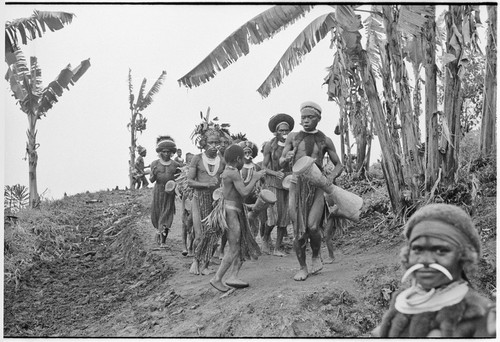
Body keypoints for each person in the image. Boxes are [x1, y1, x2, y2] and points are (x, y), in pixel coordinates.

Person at [372, 203, 496, 338]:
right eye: (417, 249)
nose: (425, 260)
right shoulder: (401, 302)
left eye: (441, 250)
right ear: (407, 255)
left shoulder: (484, 317)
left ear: (464, 257)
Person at [280, 101, 343, 281]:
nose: (306, 121)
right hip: (296, 185)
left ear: (318, 119)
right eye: (303, 118)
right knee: (299, 229)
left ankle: (316, 255)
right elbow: (282, 161)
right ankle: (302, 267)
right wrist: (287, 157)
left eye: (310, 117)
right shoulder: (293, 137)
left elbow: (339, 164)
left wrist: (330, 178)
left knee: (313, 227)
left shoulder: (325, 140)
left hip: (316, 186)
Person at [209, 144, 265, 292]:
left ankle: (233, 276)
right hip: (232, 212)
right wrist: (255, 178)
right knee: (234, 248)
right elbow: (244, 192)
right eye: (242, 158)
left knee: (240, 245)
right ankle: (217, 278)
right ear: (238, 159)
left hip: (235, 211)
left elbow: (239, 189)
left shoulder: (231, 171)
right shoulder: (232, 173)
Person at [188, 114, 231, 275]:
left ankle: (205, 264)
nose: (214, 146)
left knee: (215, 232)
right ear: (204, 143)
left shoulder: (223, 160)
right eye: (211, 143)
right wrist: (206, 184)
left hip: (217, 201)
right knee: (201, 233)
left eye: (217, 143)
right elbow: (190, 181)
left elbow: (227, 178)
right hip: (200, 199)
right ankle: (196, 261)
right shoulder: (197, 159)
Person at [261, 113, 294, 257]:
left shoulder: (293, 144)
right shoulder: (270, 145)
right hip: (273, 182)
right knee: (273, 216)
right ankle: (265, 239)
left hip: (289, 182)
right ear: (276, 132)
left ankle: (278, 247)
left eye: (287, 130)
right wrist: (275, 174)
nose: (285, 133)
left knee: (284, 216)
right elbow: (263, 167)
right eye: (281, 130)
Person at [149, 136, 180, 247]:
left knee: (167, 215)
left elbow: (179, 179)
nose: (166, 154)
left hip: (169, 193)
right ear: (160, 152)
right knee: (157, 214)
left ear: (172, 152)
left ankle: (163, 241)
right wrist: (153, 173)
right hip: (158, 191)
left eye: (168, 152)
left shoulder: (175, 165)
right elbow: (152, 180)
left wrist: (176, 189)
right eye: (164, 152)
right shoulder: (155, 164)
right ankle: (158, 232)